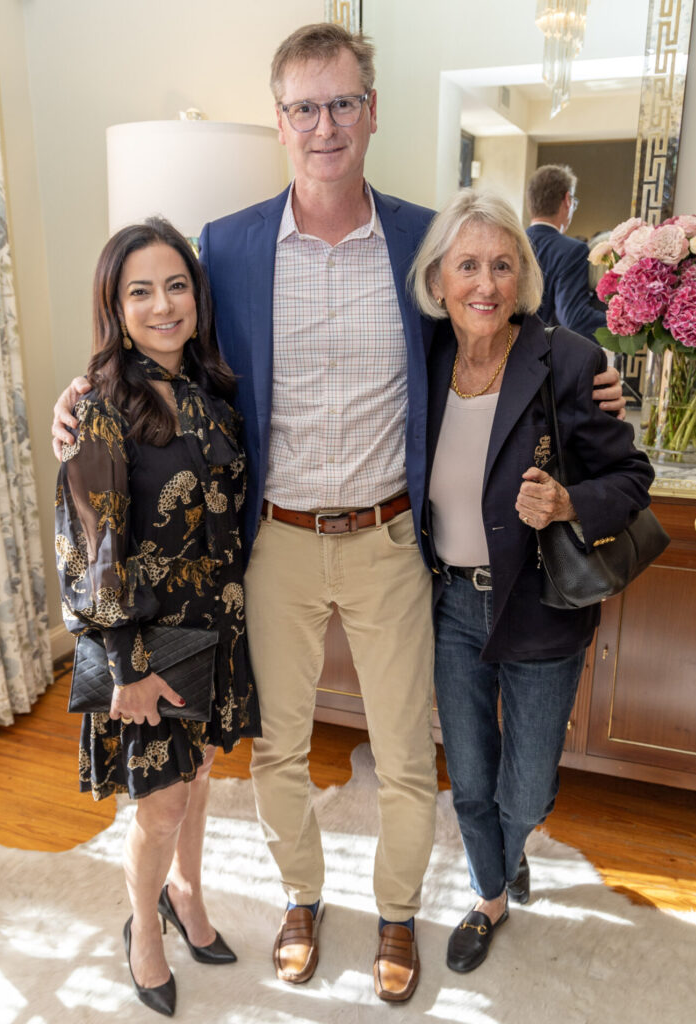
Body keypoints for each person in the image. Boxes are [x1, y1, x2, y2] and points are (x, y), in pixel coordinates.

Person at [51, 23, 625, 1002]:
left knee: (406, 756)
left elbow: (500, 320)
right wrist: (85, 391)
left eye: (342, 103)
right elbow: (168, 343)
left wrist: (589, 376)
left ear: (370, 112)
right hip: (271, 541)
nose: (325, 125)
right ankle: (300, 896)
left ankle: (396, 910)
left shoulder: (420, 236)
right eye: (305, 107)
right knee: (278, 748)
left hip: (390, 538)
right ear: (281, 121)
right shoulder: (224, 246)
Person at [409, 188, 654, 973]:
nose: (485, 284)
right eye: (468, 265)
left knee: (524, 792)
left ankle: (513, 846)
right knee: (470, 778)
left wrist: (570, 500)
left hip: (541, 606)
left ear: (523, 279)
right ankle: (489, 894)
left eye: (503, 266)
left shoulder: (570, 359)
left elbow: (631, 474)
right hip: (451, 604)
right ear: (439, 279)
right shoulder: (424, 356)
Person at [55, 218, 260, 1016]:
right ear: (115, 304)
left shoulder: (211, 390)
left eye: (176, 285)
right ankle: (144, 930)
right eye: (140, 290)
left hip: (219, 621)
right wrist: (127, 668)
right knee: (161, 799)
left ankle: (187, 892)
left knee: (200, 773)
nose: (163, 304)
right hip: (150, 641)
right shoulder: (101, 407)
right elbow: (91, 549)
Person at [526, 164, 607, 344]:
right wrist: (621, 322)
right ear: (567, 200)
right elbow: (574, 317)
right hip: (544, 356)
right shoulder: (572, 250)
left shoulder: (513, 243)